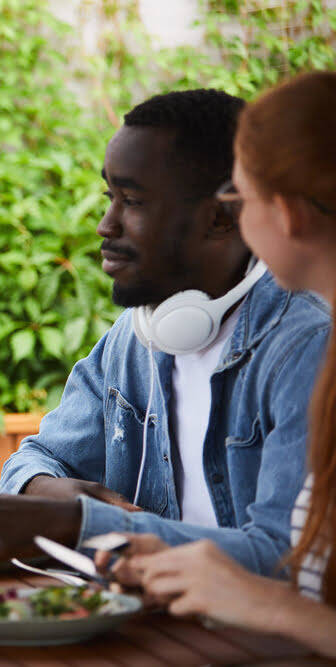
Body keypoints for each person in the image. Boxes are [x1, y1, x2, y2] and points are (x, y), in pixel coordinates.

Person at [0, 89, 330, 575]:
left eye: (132, 200)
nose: (104, 225)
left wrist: (77, 524)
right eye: (109, 197)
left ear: (221, 216)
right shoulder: (137, 337)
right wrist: (48, 493)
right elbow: (32, 460)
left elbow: (286, 560)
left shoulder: (305, 345)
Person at [95, 72, 336, 658]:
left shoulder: (308, 343)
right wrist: (200, 569)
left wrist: (259, 598)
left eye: (239, 199)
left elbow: (288, 570)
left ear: (284, 214)